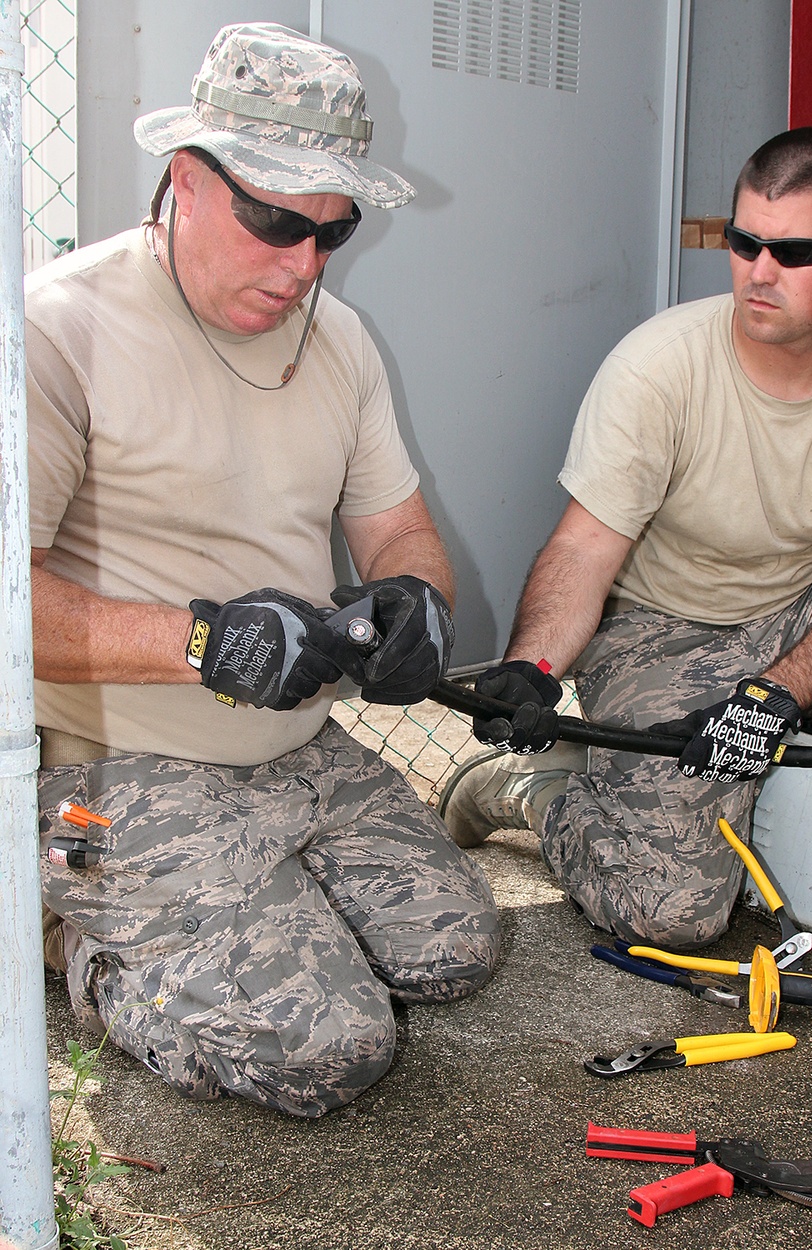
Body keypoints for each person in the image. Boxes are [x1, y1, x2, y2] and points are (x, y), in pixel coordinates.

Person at [28, 22, 499, 1118]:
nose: (303, 265)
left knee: (453, 951)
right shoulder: (58, 329)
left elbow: (398, 532)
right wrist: (204, 642)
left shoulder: (339, 339)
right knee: (324, 1047)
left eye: (332, 233)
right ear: (187, 180)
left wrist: (418, 600)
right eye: (276, 220)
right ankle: (73, 929)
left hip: (294, 742)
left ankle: (238, 903)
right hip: (116, 756)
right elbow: (8, 599)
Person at [440, 127, 812, 951]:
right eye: (743, 242)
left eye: (795, 250)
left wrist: (776, 694)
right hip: (657, 640)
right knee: (672, 913)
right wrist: (531, 669)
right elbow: (583, 549)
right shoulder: (659, 366)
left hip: (803, 623)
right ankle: (537, 791)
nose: (759, 272)